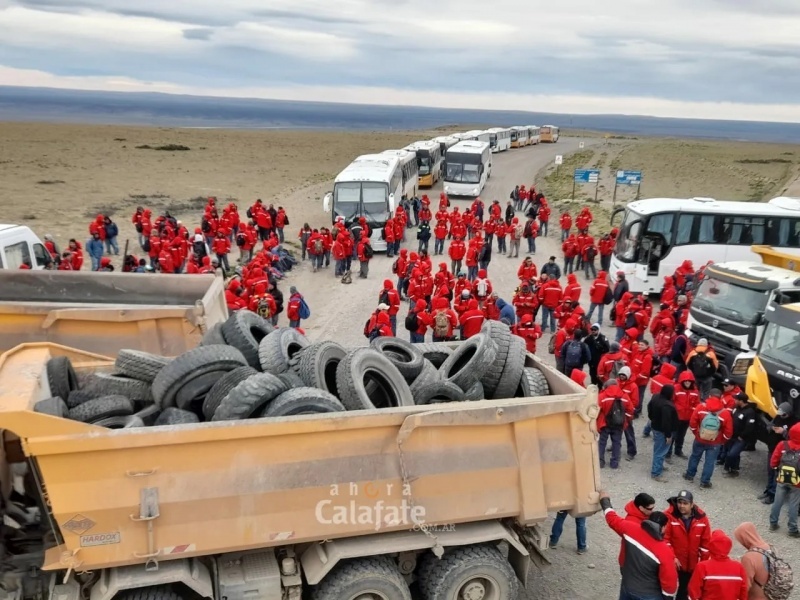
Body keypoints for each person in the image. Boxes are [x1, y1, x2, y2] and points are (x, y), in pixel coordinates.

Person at [599, 491, 679, 600]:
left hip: (628, 586)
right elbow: (669, 580)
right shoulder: (664, 551)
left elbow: (612, 519)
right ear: (663, 527)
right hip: (649, 594)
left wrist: (605, 501)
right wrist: (668, 597)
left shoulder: (631, 528)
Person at [665, 490, 711, 599]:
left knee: (685, 590)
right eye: (679, 502)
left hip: (691, 564)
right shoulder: (669, 516)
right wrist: (672, 557)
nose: (681, 506)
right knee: (667, 588)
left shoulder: (702, 518)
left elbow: (706, 544)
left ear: (692, 504)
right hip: (674, 562)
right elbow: (665, 539)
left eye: (685, 503)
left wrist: (703, 565)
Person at [684, 394, 733, 488]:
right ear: (721, 398)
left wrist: (697, 434)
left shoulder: (700, 407)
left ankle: (689, 475)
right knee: (710, 462)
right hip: (715, 442)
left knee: (695, 456)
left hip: (700, 439)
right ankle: (705, 482)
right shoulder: (725, 413)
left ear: (709, 396)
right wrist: (722, 441)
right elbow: (728, 431)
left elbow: (692, 423)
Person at [687, 530, 748, 600]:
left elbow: (693, 591)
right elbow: (743, 592)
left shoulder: (702, 566)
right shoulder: (738, 567)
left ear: (711, 546)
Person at [734, 522, 787, 600]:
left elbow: (746, 585)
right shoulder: (771, 547)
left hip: (758, 596)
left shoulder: (748, 558)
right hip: (774, 593)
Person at [769, 421, 800, 537]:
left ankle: (773, 523)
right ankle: (792, 529)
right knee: (794, 504)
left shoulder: (783, 444)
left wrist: (775, 469)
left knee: (778, 501)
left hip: (782, 477)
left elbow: (774, 461)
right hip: (797, 482)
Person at [597, 379, 634, 469]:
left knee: (602, 443)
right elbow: (630, 410)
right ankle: (614, 463)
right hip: (619, 424)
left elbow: (596, 411)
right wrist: (625, 420)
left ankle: (600, 462)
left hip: (605, 424)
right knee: (616, 443)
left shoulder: (602, 396)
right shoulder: (624, 396)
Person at [720, 393, 757, 477]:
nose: (734, 401)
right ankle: (733, 470)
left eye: (736, 399)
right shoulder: (736, 408)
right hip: (732, 435)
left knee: (732, 454)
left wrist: (742, 436)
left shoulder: (750, 412)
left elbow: (750, 426)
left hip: (741, 438)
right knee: (732, 453)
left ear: (741, 401)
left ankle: (728, 468)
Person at [649, 384, 678, 482]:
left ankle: (658, 466)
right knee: (661, 452)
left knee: (658, 449)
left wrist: (652, 419)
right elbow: (667, 422)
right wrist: (668, 435)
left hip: (655, 427)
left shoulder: (655, 396)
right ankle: (656, 473)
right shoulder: (667, 405)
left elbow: (649, 408)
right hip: (663, 431)